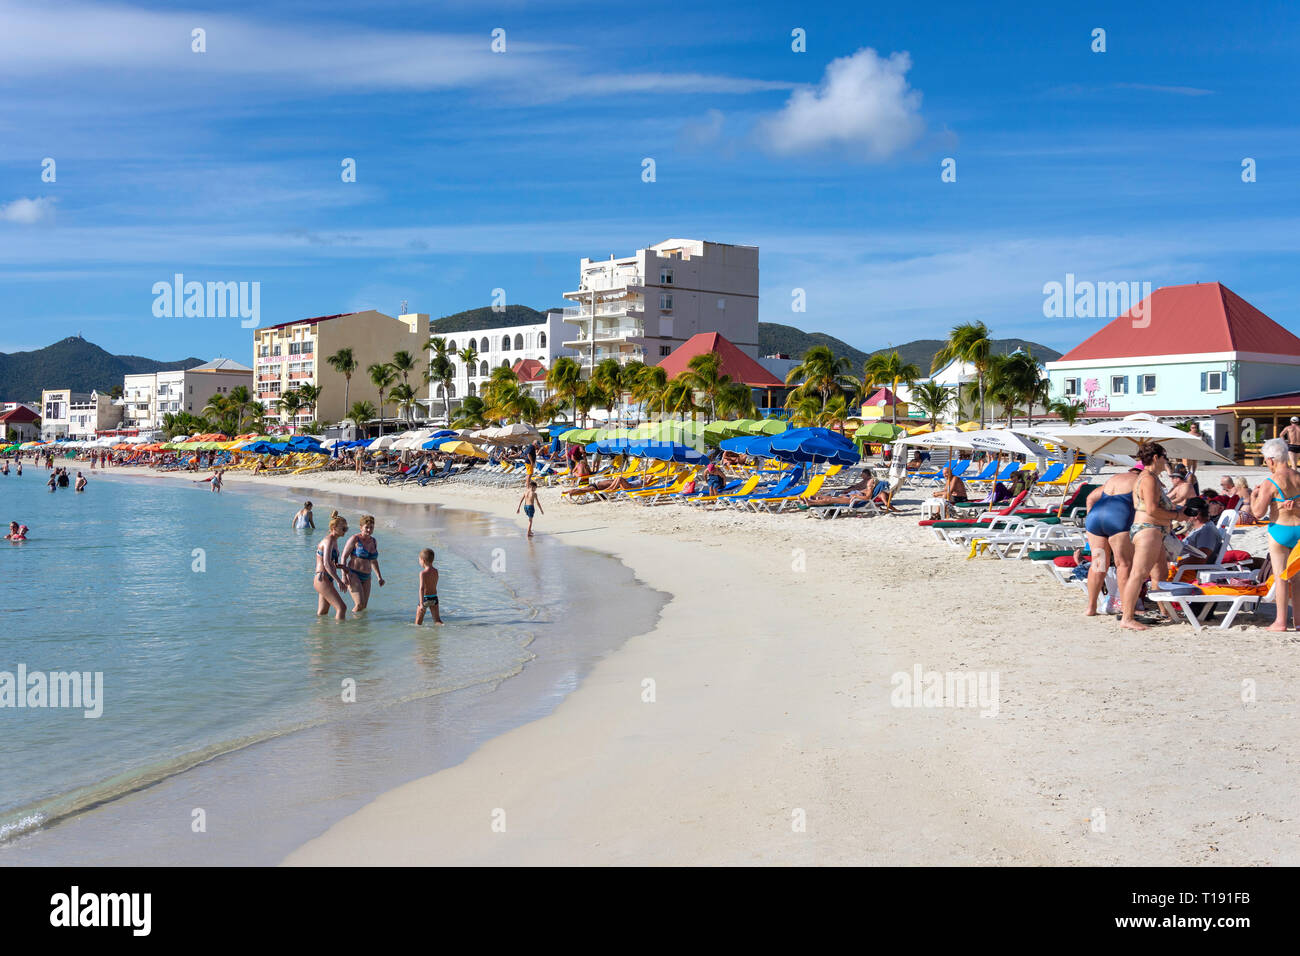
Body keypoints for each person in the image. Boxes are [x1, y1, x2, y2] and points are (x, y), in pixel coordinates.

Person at [1120, 441, 1183, 631]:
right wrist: (1178, 515)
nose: (1166, 463)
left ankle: (1164, 610)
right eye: (1165, 458)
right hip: (1148, 529)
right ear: (1156, 458)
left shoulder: (1149, 478)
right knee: (1138, 574)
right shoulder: (1148, 479)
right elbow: (1152, 509)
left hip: (1152, 529)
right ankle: (1127, 617)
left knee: (1160, 573)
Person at [1250, 438, 1300, 631]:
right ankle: (1298, 621)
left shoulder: (1269, 482)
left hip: (1280, 529)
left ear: (1271, 459)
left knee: (1281, 577)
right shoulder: (1298, 477)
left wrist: (1253, 496)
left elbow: (1258, 513)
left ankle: (1280, 622)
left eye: (1265, 460)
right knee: (1297, 578)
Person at [1082, 467, 1140, 617]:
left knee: (1098, 563)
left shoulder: (1114, 478)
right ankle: (1126, 608)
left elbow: (1090, 498)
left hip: (1095, 519)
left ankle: (1091, 607)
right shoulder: (1142, 479)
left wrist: (1089, 517)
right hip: (1118, 518)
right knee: (1124, 564)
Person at [342, 514, 385, 611]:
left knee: (364, 607)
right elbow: (343, 557)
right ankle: (351, 625)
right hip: (353, 574)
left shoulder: (374, 541)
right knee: (359, 604)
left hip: (367, 577)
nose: (369, 530)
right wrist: (343, 576)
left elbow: (373, 561)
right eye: (367, 527)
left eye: (371, 527)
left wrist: (379, 577)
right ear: (361, 527)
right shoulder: (355, 539)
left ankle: (358, 625)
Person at [313, 512, 351, 620]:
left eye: (346, 528)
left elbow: (331, 563)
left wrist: (342, 567)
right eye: (343, 528)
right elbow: (326, 563)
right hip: (322, 577)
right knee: (342, 608)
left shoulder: (334, 541)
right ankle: (340, 634)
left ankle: (321, 635)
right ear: (334, 527)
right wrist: (339, 581)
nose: (345, 531)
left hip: (327, 578)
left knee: (323, 613)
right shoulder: (328, 540)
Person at [416, 548, 443, 625]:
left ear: (423, 561)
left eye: (419, 560)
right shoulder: (436, 571)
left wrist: (421, 604)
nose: (419, 562)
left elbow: (421, 588)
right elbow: (434, 584)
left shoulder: (423, 573)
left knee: (418, 623)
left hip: (425, 599)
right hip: (434, 598)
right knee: (437, 621)